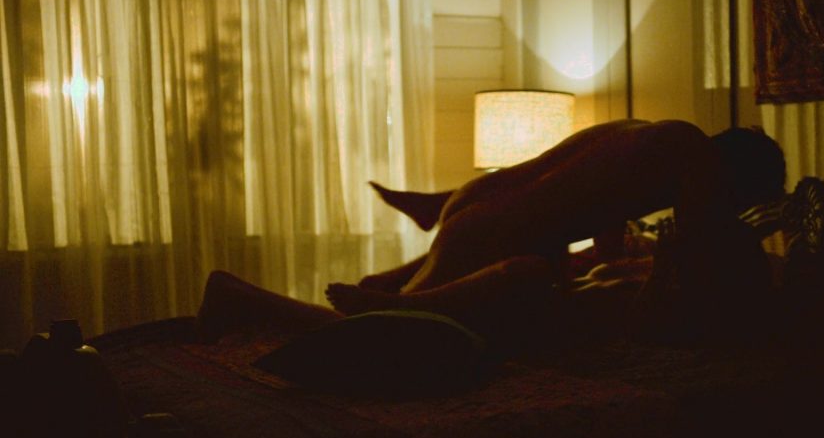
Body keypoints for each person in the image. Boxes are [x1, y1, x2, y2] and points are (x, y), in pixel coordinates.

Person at [198, 120, 786, 347]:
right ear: (737, 177)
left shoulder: (653, 134)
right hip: (496, 233)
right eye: (742, 199)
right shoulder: (698, 166)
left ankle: (410, 249)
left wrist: (611, 257)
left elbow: (594, 218)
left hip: (476, 198)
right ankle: (240, 298)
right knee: (388, 332)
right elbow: (698, 251)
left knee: (450, 282)